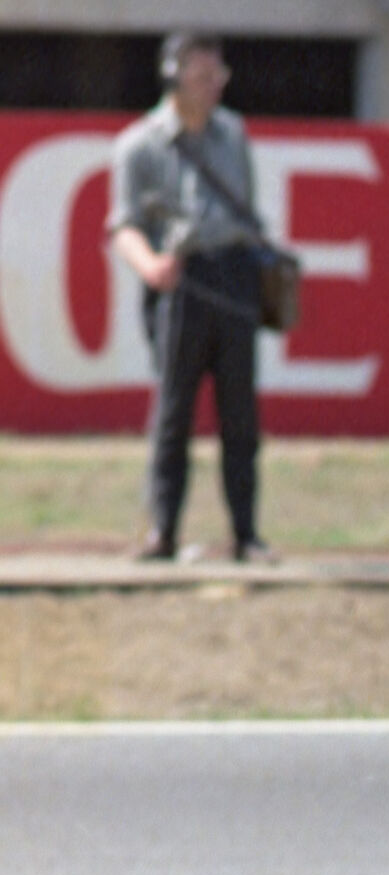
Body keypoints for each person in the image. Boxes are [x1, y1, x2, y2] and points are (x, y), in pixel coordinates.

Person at [108, 30, 276, 564]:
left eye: (218, 75)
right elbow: (123, 226)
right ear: (173, 76)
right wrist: (152, 267)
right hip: (181, 282)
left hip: (234, 277)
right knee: (173, 412)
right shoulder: (140, 144)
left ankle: (246, 533)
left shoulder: (234, 134)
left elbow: (246, 213)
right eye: (203, 76)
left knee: (240, 415)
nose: (213, 86)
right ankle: (163, 532)